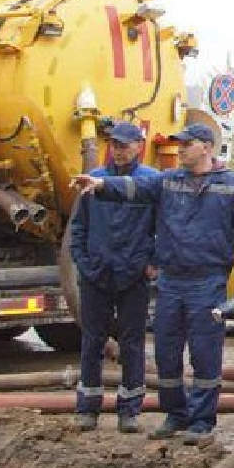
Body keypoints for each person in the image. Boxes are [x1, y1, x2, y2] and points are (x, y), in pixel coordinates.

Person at [72, 122, 234, 446]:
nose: (180, 149)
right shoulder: (169, 181)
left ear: (206, 147)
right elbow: (134, 189)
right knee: (166, 354)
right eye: (179, 144)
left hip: (207, 282)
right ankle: (176, 415)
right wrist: (100, 185)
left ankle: (201, 422)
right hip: (171, 281)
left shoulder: (231, 186)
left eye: (186, 144)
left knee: (204, 354)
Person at [65, 120, 159, 433]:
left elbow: (162, 229)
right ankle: (87, 408)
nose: (117, 151)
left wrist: (150, 262)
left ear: (138, 146)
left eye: (123, 145)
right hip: (97, 274)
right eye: (113, 145)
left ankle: (129, 410)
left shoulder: (150, 182)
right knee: (92, 341)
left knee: (131, 344)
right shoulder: (94, 180)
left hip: (132, 276)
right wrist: (84, 263)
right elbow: (78, 228)